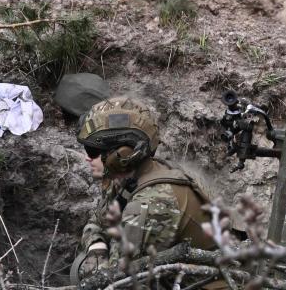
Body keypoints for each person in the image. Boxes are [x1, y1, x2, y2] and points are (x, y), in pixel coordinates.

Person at [71, 96, 218, 285]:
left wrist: (99, 266)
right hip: (171, 276)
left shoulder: (152, 202)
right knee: (83, 264)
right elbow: (97, 221)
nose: (87, 158)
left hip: (203, 284)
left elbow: (118, 281)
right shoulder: (128, 178)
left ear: (122, 154)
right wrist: (96, 246)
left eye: (93, 151)